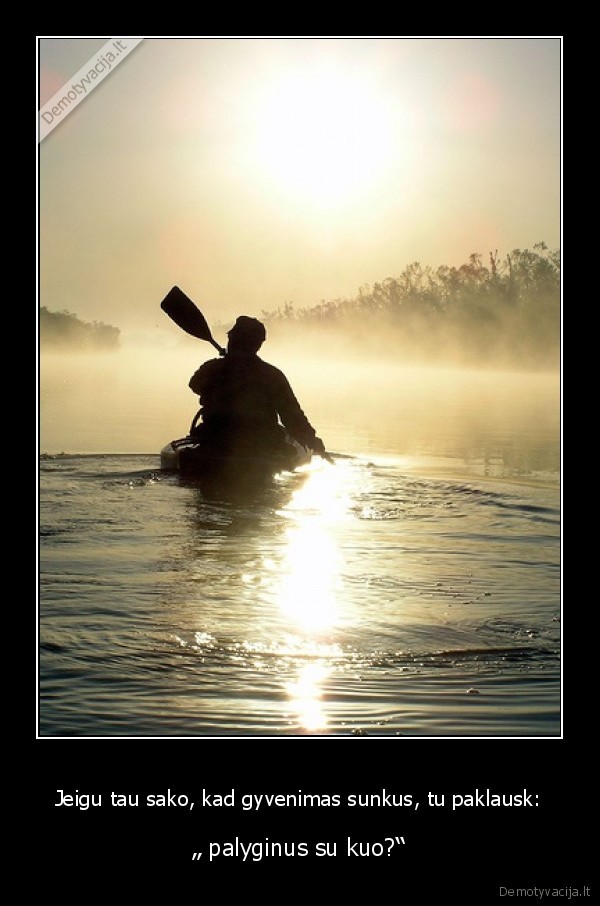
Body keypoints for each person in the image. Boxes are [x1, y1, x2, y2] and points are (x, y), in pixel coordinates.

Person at [188, 315, 327, 461]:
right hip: (260, 442)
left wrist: (225, 363)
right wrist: (312, 441)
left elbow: (194, 385)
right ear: (258, 345)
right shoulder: (272, 375)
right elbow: (292, 416)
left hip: (216, 439)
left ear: (232, 340)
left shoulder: (212, 368)